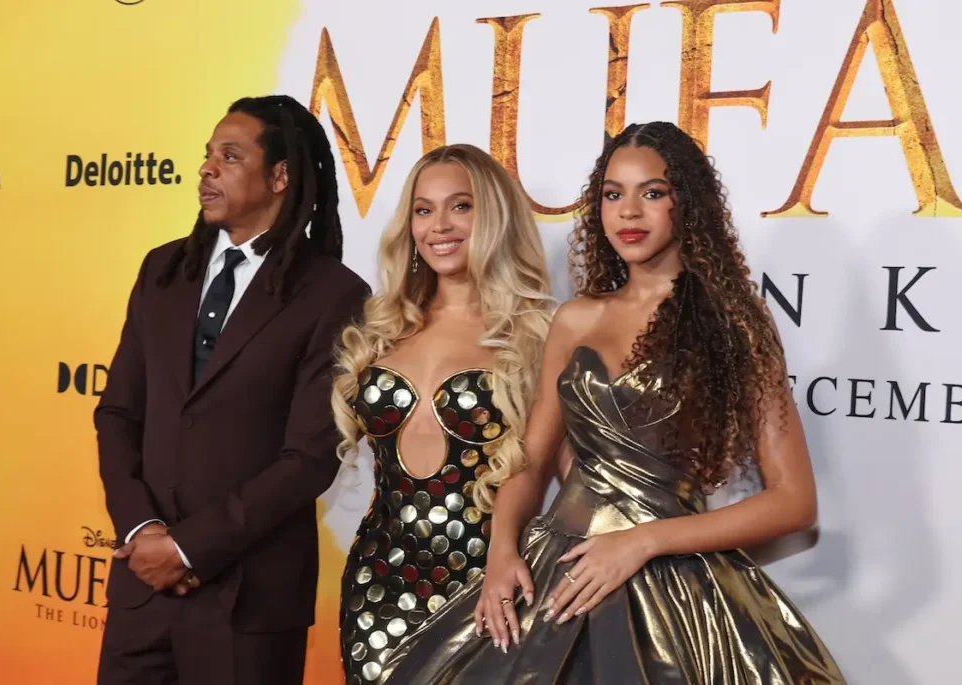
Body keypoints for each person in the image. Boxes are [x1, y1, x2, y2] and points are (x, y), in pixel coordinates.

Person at [378, 122, 847, 684]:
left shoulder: (736, 323)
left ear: (687, 204)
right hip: (559, 569)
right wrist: (502, 551)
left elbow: (794, 503)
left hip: (673, 581)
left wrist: (641, 541)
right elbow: (528, 462)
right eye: (612, 194)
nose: (628, 212)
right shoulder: (576, 318)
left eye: (652, 193)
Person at [94, 95, 370, 685]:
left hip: (249, 603)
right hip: (141, 592)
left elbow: (309, 458)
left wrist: (190, 548)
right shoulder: (161, 269)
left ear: (280, 176)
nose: (206, 169)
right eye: (207, 155)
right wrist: (144, 534)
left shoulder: (333, 295)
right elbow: (117, 413)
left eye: (230, 155)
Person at [330, 144, 556, 684]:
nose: (439, 226)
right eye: (423, 209)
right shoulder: (383, 329)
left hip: (488, 586)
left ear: (494, 216)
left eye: (461, 206)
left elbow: (566, 476)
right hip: (378, 589)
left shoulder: (536, 336)